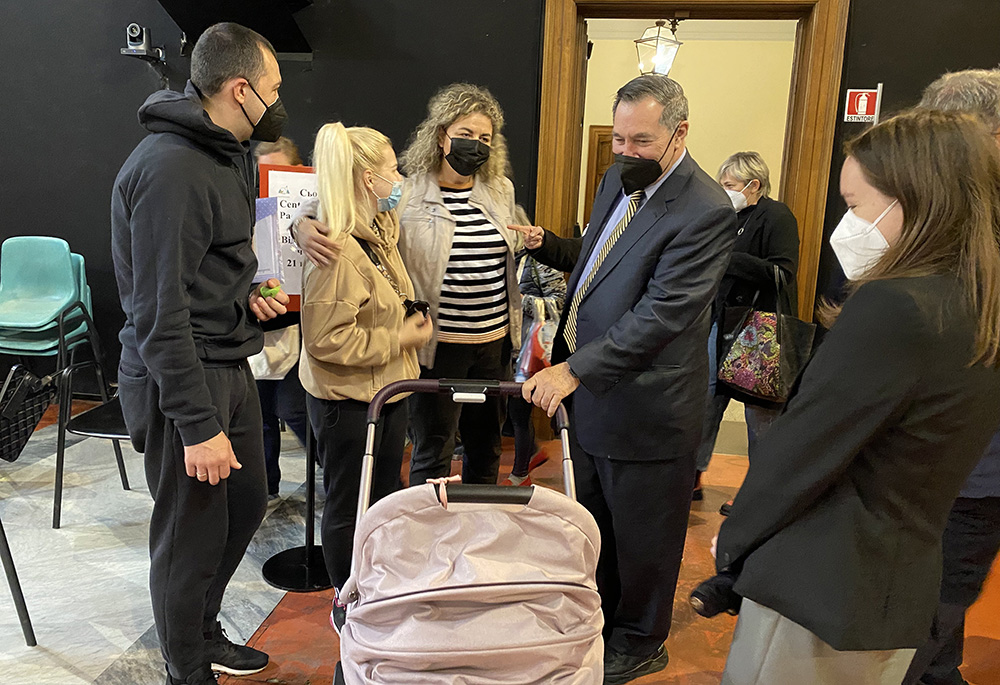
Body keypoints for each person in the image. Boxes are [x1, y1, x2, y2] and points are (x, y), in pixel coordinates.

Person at [711, 109, 1000, 685]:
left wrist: (735, 544)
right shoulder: (978, 301)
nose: (847, 224)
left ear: (914, 201)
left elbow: (804, 447)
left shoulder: (895, 306)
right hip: (900, 579)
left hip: (822, 578)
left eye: (855, 204)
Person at [515, 74, 737, 684]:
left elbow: (663, 314)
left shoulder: (706, 209)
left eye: (641, 140)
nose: (624, 151)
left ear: (679, 133)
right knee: (594, 525)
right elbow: (598, 257)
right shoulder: (617, 177)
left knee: (644, 540)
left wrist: (574, 369)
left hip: (648, 409)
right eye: (618, 138)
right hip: (591, 401)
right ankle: (601, 619)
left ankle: (640, 640)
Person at [111, 23, 290, 685]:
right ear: (240, 89)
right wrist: (197, 424)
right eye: (273, 89)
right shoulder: (172, 169)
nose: (278, 101)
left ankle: (203, 629)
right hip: (183, 374)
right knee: (190, 532)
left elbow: (207, 269)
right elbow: (160, 313)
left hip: (227, 360)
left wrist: (248, 291)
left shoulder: (226, 152)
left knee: (245, 503)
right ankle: (183, 666)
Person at [293, 83, 522, 487]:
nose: (476, 145)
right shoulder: (409, 190)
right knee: (433, 447)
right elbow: (340, 202)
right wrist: (303, 225)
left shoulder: (500, 190)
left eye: (485, 138)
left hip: (493, 342)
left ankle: (477, 533)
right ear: (441, 135)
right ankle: (425, 537)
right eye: (466, 135)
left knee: (486, 448)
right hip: (437, 346)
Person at [299, 123, 432, 630]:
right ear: (366, 177)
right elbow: (327, 343)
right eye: (393, 169)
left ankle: (370, 580)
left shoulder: (376, 233)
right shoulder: (337, 255)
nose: (400, 178)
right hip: (349, 402)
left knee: (376, 497)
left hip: (383, 393)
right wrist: (398, 339)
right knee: (350, 505)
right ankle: (344, 596)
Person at [902, 68, 1000, 685]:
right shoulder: (941, 220)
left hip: (968, 466)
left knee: (925, 623)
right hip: (944, 468)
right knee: (929, 619)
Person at [693, 151, 799, 507]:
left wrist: (728, 259)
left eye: (730, 185)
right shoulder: (727, 217)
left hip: (759, 329)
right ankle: (691, 476)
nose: (724, 191)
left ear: (753, 185)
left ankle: (758, 496)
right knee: (705, 401)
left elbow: (781, 273)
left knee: (759, 414)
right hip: (720, 323)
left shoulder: (777, 215)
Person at [250, 137, 309, 499]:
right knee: (259, 421)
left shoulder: (311, 212)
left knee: (296, 412)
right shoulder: (243, 209)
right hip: (254, 332)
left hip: (295, 330)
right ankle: (265, 488)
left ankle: (335, 475)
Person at [502, 205, 566, 487]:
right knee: (512, 410)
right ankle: (530, 456)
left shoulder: (538, 260)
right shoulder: (503, 259)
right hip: (506, 347)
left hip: (528, 348)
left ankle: (520, 473)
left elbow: (559, 302)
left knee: (519, 410)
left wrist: (517, 301)